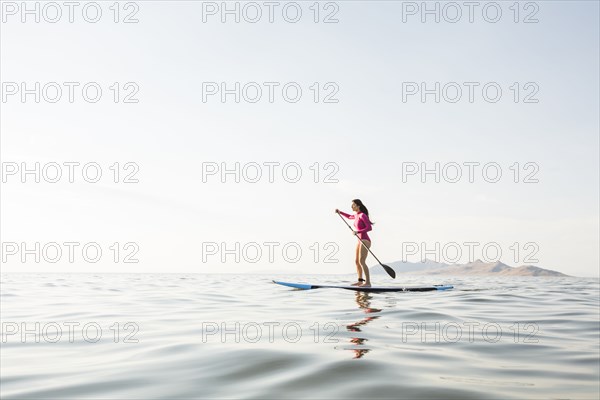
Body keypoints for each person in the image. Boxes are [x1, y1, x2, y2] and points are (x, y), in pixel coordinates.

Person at [335, 199, 374, 287]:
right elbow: (349, 217)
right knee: (357, 261)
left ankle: (368, 283)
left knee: (362, 261)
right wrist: (340, 212)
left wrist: (357, 232)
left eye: (353, 205)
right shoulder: (356, 215)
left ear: (358, 206)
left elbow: (369, 228)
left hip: (365, 240)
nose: (351, 206)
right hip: (359, 241)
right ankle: (360, 281)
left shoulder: (362, 215)